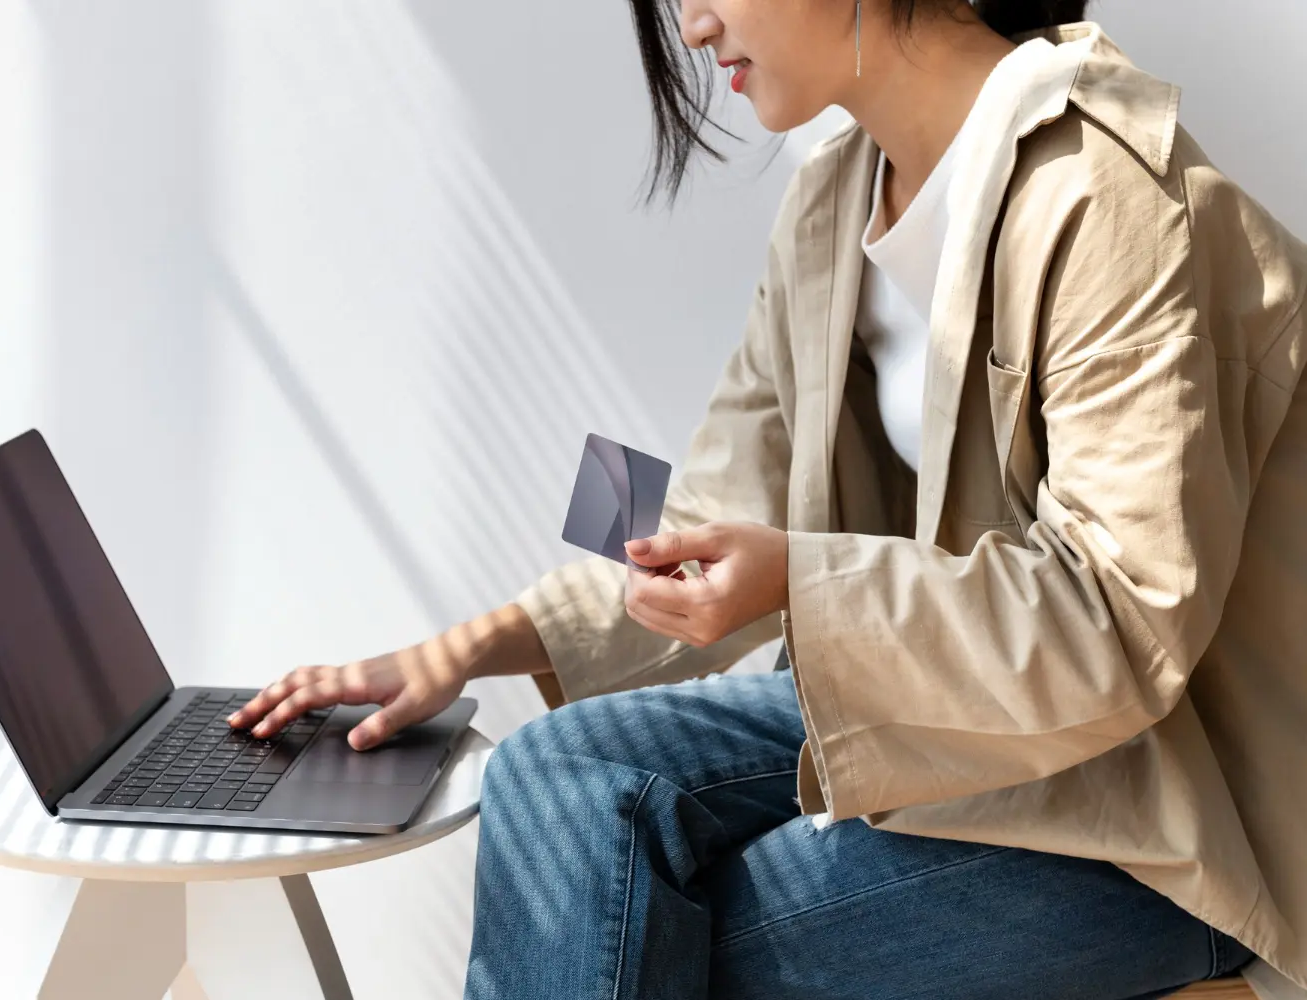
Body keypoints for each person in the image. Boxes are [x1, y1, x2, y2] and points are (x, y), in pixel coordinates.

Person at [231, 1, 1307, 997]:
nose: (693, 26)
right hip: (961, 743)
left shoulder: (1102, 190)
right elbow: (709, 510)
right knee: (551, 774)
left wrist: (801, 575)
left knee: (627, 919)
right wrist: (459, 651)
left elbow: (1115, 625)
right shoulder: (835, 197)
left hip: (1158, 817)